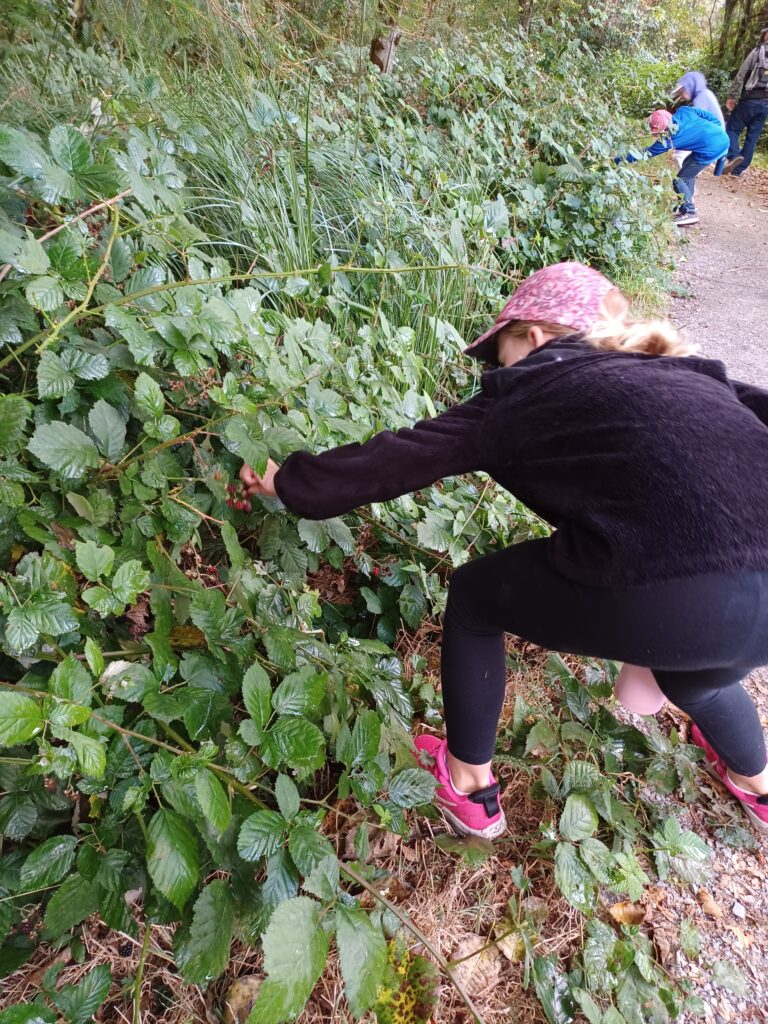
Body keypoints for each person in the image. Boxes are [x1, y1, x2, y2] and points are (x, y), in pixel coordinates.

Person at [240, 261, 768, 839]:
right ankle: (759, 784)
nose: (495, 372)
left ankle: (469, 783)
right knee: (699, 674)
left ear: (534, 337)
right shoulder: (692, 374)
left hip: (678, 593)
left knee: (474, 597)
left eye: (499, 355)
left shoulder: (529, 389)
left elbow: (397, 458)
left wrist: (289, 483)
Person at [616, 107, 729, 227]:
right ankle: (685, 205)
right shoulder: (685, 111)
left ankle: (690, 212)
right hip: (721, 137)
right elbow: (710, 117)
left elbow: (646, 154)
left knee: (679, 180)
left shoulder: (669, 138)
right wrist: (717, 129)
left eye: (654, 131)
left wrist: (617, 160)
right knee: (687, 169)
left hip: (711, 149)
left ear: (661, 130)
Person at [724, 26, 768, 176]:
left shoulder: (757, 51)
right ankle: (737, 170)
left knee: (731, 128)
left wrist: (732, 96)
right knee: (752, 137)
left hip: (749, 99)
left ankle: (734, 156)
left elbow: (741, 74)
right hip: (765, 105)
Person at [669, 71, 725, 168]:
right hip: (716, 137)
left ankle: (685, 176)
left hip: (713, 138)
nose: (681, 95)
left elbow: (695, 124)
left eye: (682, 91)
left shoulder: (702, 97)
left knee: (680, 155)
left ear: (690, 86)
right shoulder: (705, 94)